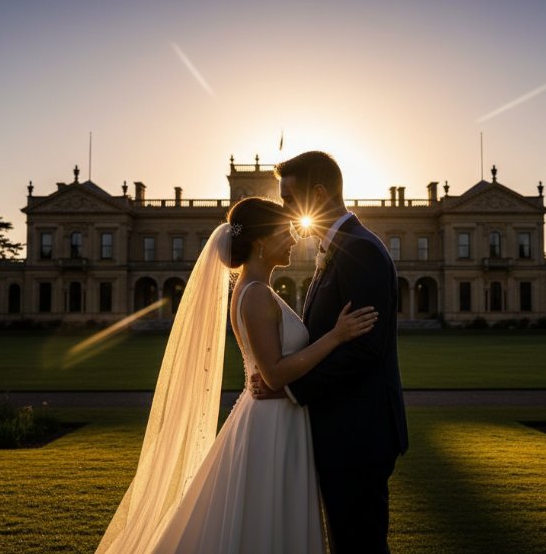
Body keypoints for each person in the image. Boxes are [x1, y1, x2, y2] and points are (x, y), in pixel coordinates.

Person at [95, 197, 379, 554]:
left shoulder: (256, 291)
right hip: (271, 422)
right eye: (286, 231)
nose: (294, 238)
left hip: (275, 415)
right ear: (261, 241)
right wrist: (335, 337)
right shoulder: (256, 295)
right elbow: (274, 374)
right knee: (265, 518)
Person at [252, 150, 409, 553]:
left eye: (289, 199)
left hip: (358, 433)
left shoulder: (361, 250)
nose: (285, 209)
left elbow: (364, 351)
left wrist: (290, 388)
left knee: (359, 545)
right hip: (343, 430)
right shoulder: (341, 247)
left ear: (317, 194)